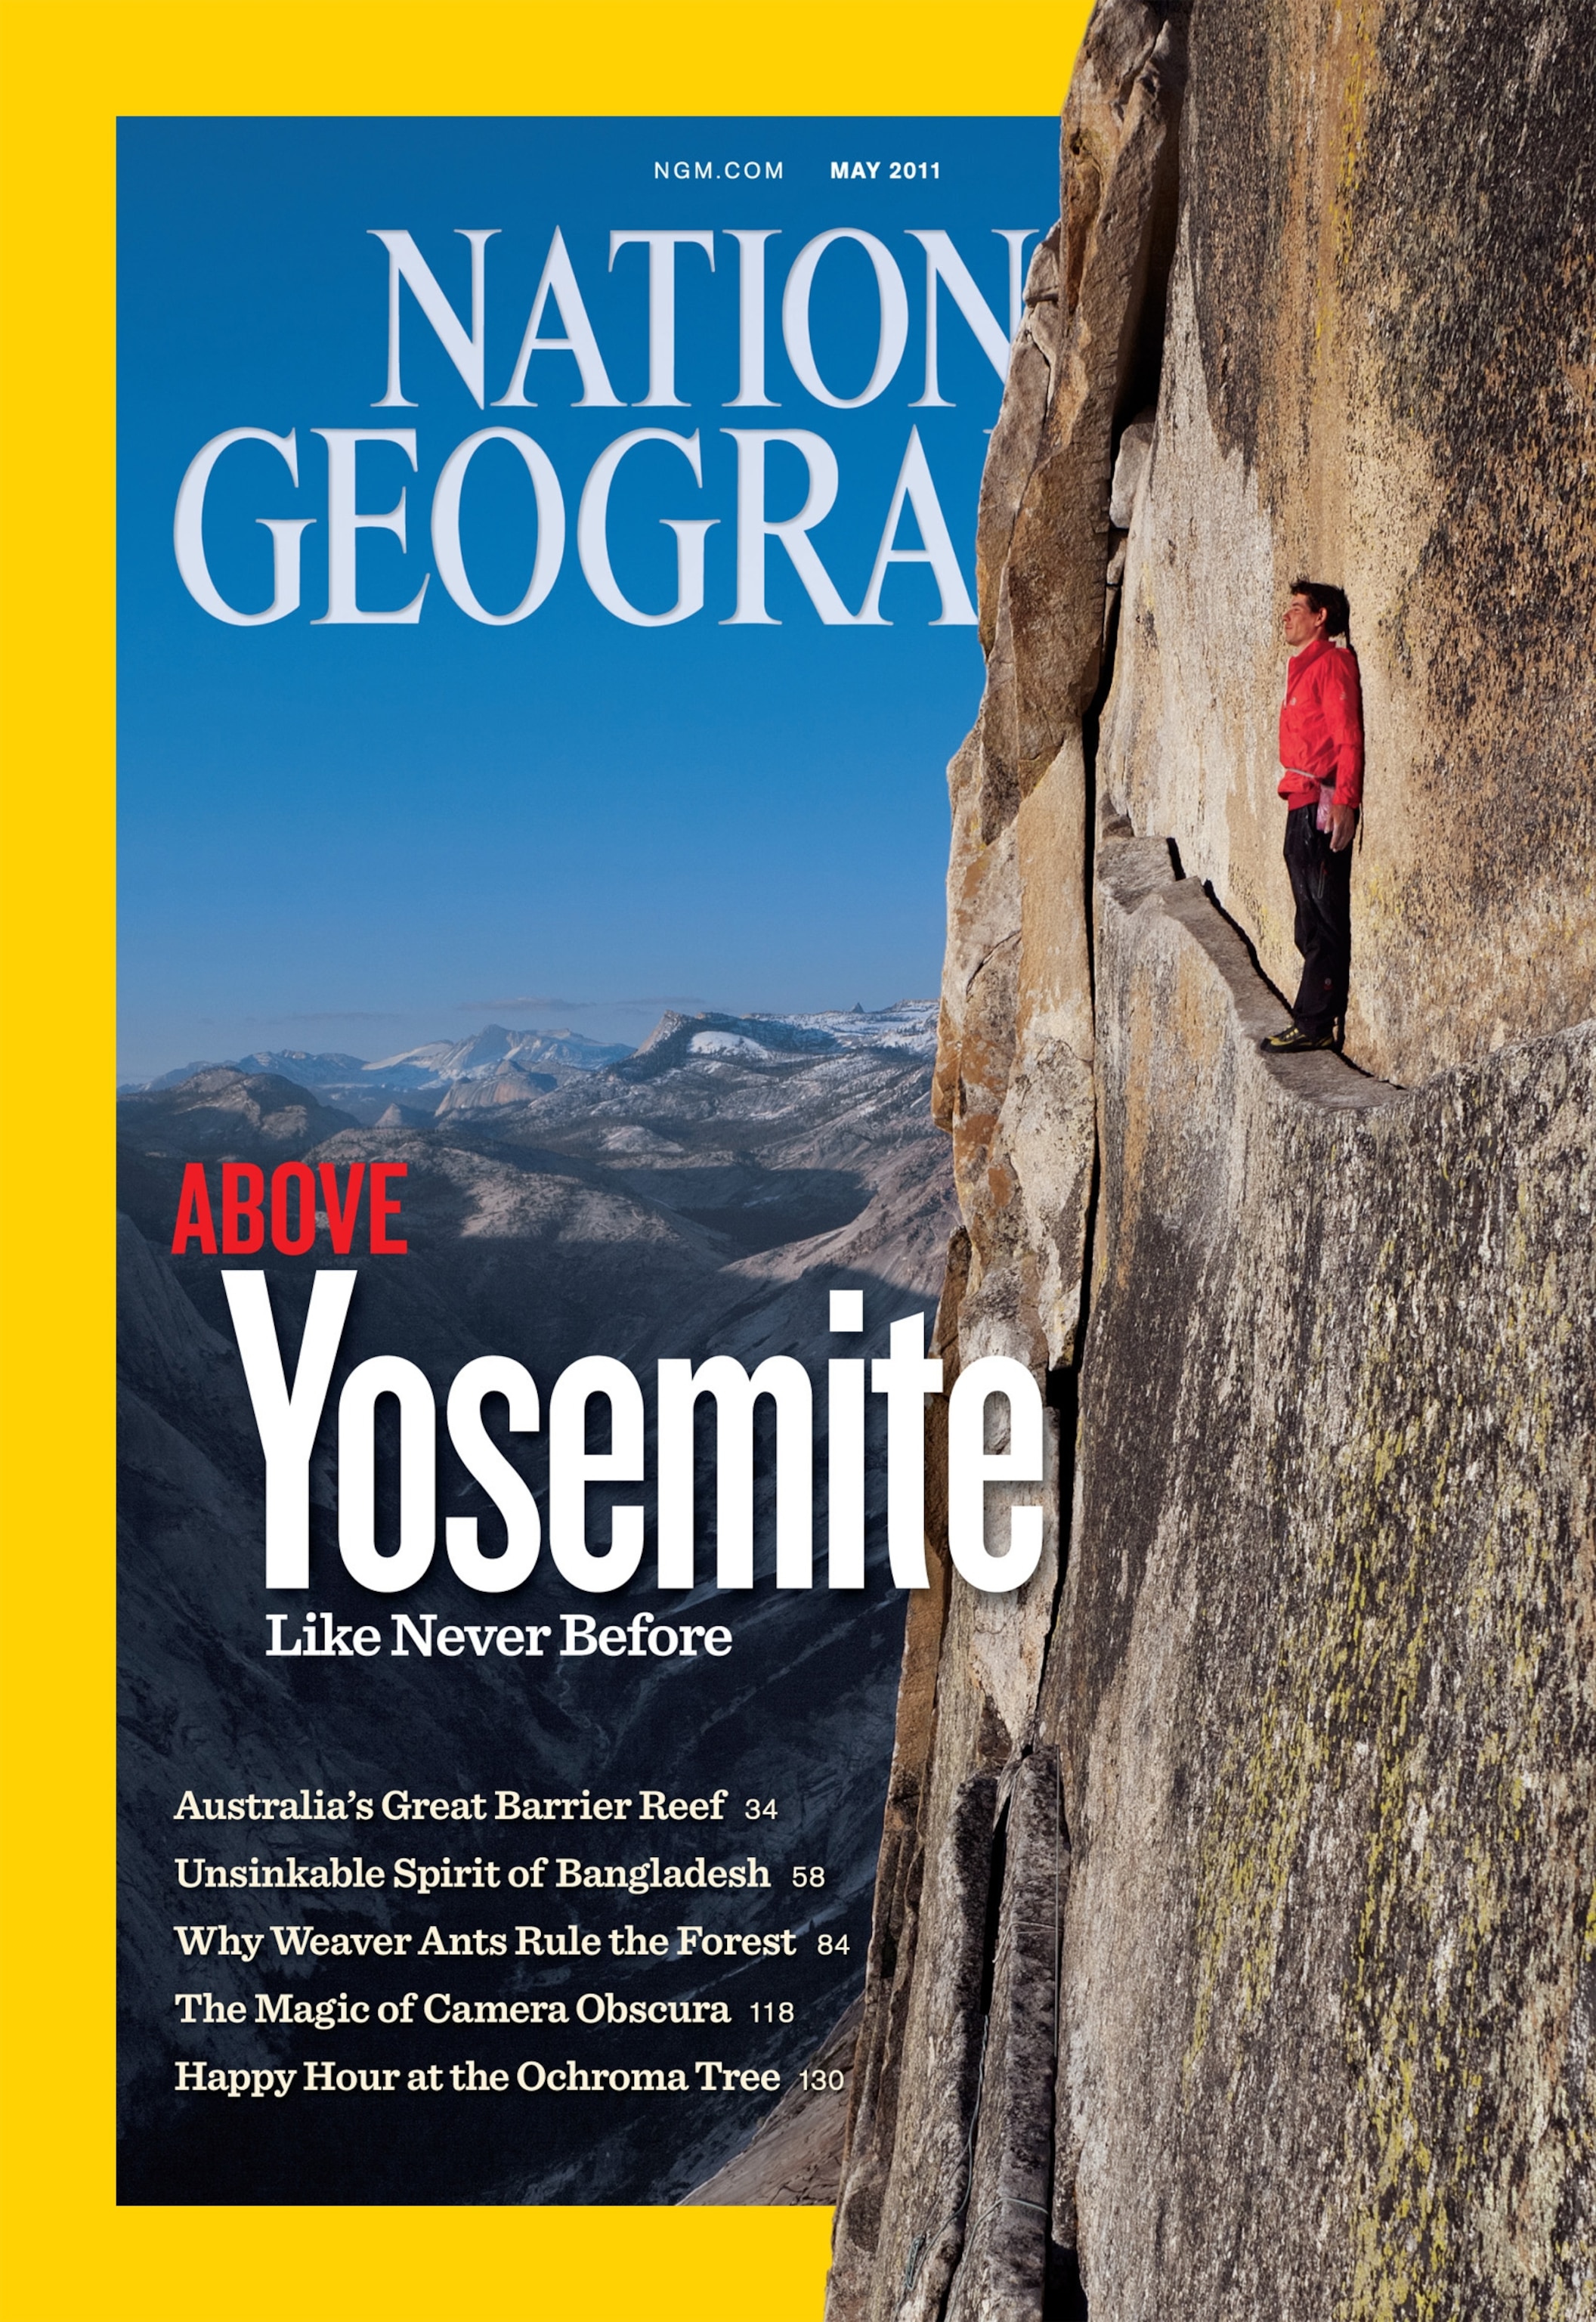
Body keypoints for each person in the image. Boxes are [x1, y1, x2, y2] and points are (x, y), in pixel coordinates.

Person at [1260, 578, 1362, 1054]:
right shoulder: (1301, 669)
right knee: (1307, 915)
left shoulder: (1332, 663)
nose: (1287, 615)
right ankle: (1314, 1014)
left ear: (1321, 617)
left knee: (1322, 913)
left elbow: (1348, 736)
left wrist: (1346, 800)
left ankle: (1316, 1021)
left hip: (1321, 802)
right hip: (1298, 801)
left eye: (1297, 608)